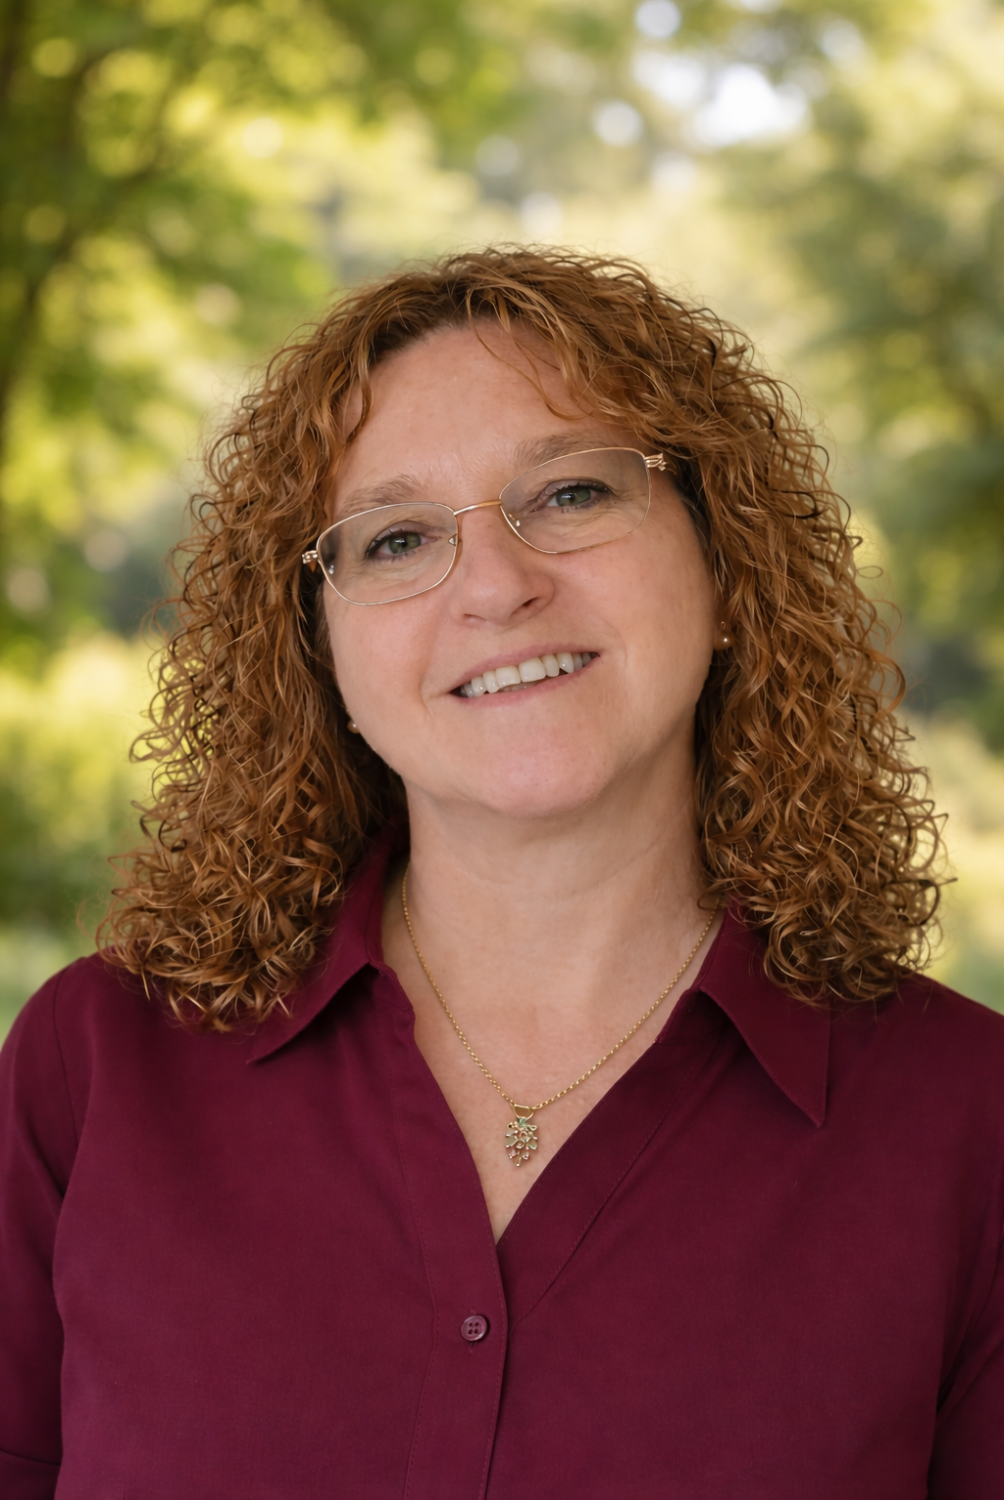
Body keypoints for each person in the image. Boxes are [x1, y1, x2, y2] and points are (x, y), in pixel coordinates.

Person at [1, 247, 1001, 1499]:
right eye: (398, 537)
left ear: (726, 560)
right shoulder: (94, 1072)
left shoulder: (970, 1125)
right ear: (316, 649)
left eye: (572, 494)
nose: (495, 586)